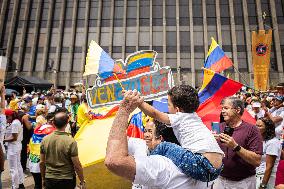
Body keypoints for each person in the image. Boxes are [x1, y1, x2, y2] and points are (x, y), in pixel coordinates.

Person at [105, 90, 214, 188]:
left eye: (150, 132)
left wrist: (124, 110)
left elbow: (114, 160)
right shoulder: (201, 166)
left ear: (161, 138)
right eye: (145, 130)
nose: (146, 135)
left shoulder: (162, 167)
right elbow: (117, 140)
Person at [136, 85, 224, 182]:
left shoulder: (179, 117)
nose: (167, 107)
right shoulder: (195, 117)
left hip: (202, 164)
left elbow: (154, 114)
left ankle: (147, 166)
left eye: (168, 105)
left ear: (177, 110)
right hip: (216, 170)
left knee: (164, 146)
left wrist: (139, 102)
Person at [213, 97, 263, 189]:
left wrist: (235, 147)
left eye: (226, 108)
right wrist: (210, 141)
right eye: (222, 108)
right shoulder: (218, 127)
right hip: (219, 180)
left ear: (238, 110)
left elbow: (257, 161)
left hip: (243, 182)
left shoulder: (252, 130)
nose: (223, 111)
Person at [40, 111, 86, 189]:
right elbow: (77, 165)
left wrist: (43, 179)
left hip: (50, 179)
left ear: (53, 123)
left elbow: (42, 162)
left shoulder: (44, 140)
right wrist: (82, 181)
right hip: (67, 179)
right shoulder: (70, 141)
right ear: (67, 123)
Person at [29, 113, 56, 189]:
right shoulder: (52, 130)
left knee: (37, 185)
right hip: (43, 163)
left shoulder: (38, 129)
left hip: (33, 161)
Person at [256, 118, 282, 189]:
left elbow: (269, 166)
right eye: (256, 125)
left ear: (267, 128)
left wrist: (263, 185)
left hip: (266, 177)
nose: (256, 128)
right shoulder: (261, 141)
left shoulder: (273, 142)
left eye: (259, 126)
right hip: (257, 175)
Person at [4, 109, 25, 189]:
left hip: (13, 147)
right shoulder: (16, 122)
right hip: (16, 146)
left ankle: (15, 186)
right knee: (18, 166)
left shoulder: (15, 123)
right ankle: (20, 183)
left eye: (7, 117)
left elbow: (14, 138)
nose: (6, 119)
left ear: (10, 116)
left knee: (13, 168)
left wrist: (3, 140)